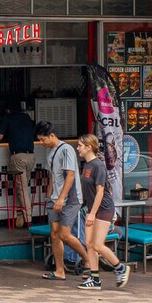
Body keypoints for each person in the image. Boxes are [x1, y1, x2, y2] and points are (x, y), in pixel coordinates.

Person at [39, 121, 92, 282]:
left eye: (43, 139)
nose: (41, 142)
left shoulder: (66, 149)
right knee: (54, 234)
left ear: (52, 135)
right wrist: (50, 196)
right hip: (54, 198)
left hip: (70, 199)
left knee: (64, 234)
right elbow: (52, 176)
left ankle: (88, 260)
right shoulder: (50, 152)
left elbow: (70, 175)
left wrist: (61, 198)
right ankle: (59, 271)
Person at [77, 133, 129, 291]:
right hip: (91, 208)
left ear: (88, 147)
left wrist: (92, 214)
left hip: (104, 209)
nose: (78, 148)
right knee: (89, 244)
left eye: (80, 145)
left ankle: (120, 268)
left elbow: (100, 192)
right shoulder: (87, 165)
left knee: (97, 244)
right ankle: (95, 279)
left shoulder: (98, 166)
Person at [0, 100, 38, 227]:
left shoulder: (7, 118)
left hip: (18, 157)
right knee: (22, 186)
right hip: (31, 156)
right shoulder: (26, 117)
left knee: (22, 189)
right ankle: (20, 214)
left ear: (7, 110)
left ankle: (28, 220)